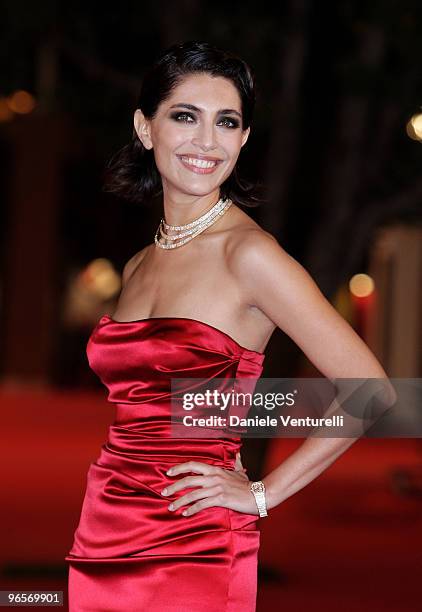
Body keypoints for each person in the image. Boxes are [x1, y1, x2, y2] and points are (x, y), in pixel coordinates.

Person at [65, 40, 391, 611]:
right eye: (185, 116)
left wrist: (262, 494)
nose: (207, 142)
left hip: (193, 541)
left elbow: (373, 393)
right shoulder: (141, 262)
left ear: (243, 139)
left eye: (227, 122)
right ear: (146, 129)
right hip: (105, 521)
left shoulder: (250, 256)